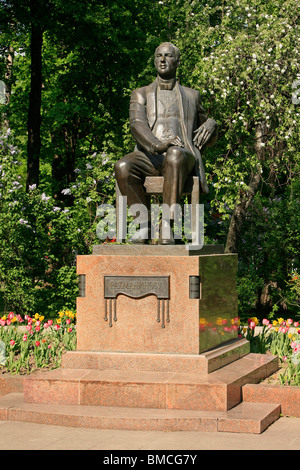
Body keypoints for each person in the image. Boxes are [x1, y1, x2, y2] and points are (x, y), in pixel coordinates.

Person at [115, 42, 218, 244]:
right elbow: (137, 125)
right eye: (159, 56)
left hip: (182, 158)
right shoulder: (140, 93)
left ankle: (167, 225)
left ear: (178, 61)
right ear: (154, 61)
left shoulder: (191, 95)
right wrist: (159, 145)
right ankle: (144, 223)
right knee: (123, 166)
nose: (163, 59)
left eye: (168, 56)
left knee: (175, 154)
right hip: (150, 155)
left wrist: (212, 125)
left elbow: (205, 136)